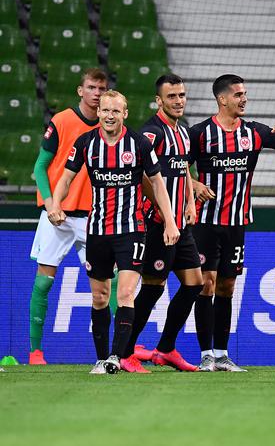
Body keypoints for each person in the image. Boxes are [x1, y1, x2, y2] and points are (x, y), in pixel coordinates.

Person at [48, 90, 180, 374]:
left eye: (116, 111)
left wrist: (170, 222)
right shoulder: (85, 143)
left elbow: (157, 184)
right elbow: (66, 178)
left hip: (131, 230)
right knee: (99, 297)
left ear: (125, 114)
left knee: (126, 294)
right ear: (99, 113)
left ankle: (116, 358)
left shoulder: (139, 144)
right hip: (97, 231)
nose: (110, 115)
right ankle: (100, 357)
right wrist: (55, 204)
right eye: (105, 110)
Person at [189, 74, 275, 372]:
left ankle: (222, 354)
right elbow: (172, 166)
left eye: (245, 93)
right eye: (238, 94)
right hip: (205, 222)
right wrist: (194, 184)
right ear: (222, 99)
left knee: (226, 286)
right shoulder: (199, 133)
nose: (244, 99)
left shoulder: (254, 132)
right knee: (206, 285)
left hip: (236, 223)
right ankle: (205, 356)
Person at [113, 74, 203, 373]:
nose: (178, 101)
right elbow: (145, 177)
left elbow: (184, 171)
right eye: (172, 96)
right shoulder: (152, 133)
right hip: (157, 224)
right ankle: (125, 353)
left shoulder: (184, 132)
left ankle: (165, 348)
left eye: (182, 95)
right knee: (152, 288)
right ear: (158, 100)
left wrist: (190, 203)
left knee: (195, 284)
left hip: (181, 224)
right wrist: (167, 219)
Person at [29, 68, 108, 365]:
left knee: (105, 285)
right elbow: (39, 167)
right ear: (80, 90)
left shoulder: (110, 125)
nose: (97, 93)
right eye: (91, 87)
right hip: (57, 216)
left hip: (93, 217)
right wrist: (51, 204)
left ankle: (117, 352)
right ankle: (35, 352)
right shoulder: (62, 121)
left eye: (102, 88)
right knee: (44, 283)